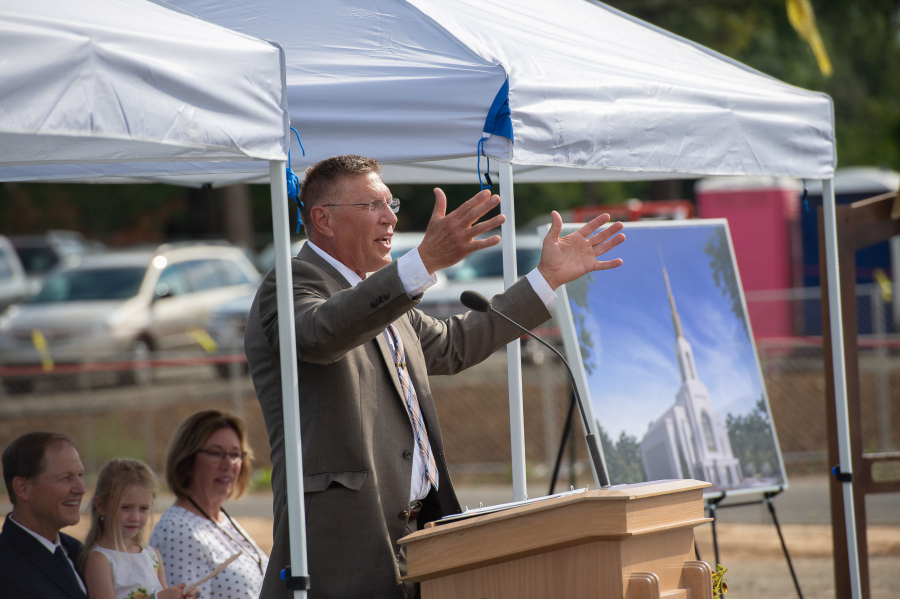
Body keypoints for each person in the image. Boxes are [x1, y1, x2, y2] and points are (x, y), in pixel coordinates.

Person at [244, 155, 625, 599]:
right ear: (323, 220)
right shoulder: (292, 283)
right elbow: (321, 333)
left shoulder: (382, 295)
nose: (389, 218)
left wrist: (545, 280)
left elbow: (454, 343)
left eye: (391, 204)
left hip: (421, 541)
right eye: (372, 206)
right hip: (342, 551)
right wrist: (420, 262)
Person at [150, 411, 269, 599]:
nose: (228, 463)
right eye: (215, 453)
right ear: (187, 462)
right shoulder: (178, 531)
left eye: (235, 454)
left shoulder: (220, 518)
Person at [81, 458, 197, 599]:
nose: (135, 517)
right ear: (101, 506)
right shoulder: (100, 559)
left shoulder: (152, 555)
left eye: (143, 508)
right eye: (126, 507)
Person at [0, 431, 89, 599]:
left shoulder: (77, 551)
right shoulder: (6, 570)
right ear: (23, 488)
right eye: (66, 478)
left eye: (80, 475)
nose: (81, 489)